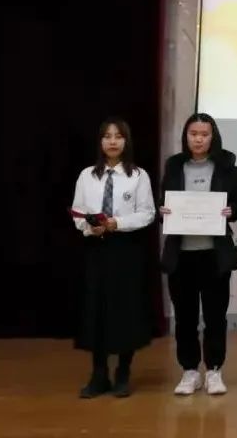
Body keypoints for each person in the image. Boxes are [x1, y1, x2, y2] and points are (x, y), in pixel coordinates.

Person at [158, 112, 237, 395]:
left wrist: (232, 210)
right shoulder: (174, 165)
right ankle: (190, 371)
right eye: (193, 134)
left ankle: (215, 370)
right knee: (185, 317)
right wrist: (163, 210)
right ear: (186, 136)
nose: (198, 139)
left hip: (214, 255)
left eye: (204, 134)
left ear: (212, 137)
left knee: (215, 316)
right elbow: (163, 202)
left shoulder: (226, 165)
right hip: (181, 255)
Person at [70, 118, 155, 398]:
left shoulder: (138, 175)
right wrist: (89, 227)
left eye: (118, 136)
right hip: (96, 248)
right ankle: (99, 374)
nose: (113, 141)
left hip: (126, 248)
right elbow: (78, 212)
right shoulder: (87, 175)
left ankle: (123, 372)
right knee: (96, 309)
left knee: (125, 308)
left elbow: (147, 213)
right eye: (107, 136)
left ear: (126, 141)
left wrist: (117, 223)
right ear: (100, 142)